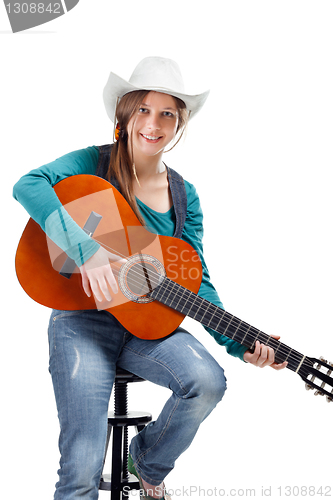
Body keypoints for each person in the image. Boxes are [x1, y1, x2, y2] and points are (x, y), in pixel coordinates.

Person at [13, 57, 287, 500]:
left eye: (168, 114)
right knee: (82, 465)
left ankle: (144, 463)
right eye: (143, 109)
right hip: (82, 321)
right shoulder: (92, 163)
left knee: (208, 382)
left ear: (180, 124)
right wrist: (88, 251)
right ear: (124, 114)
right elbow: (29, 184)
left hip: (146, 327)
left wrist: (240, 342)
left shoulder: (184, 196)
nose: (153, 124)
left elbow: (194, 277)